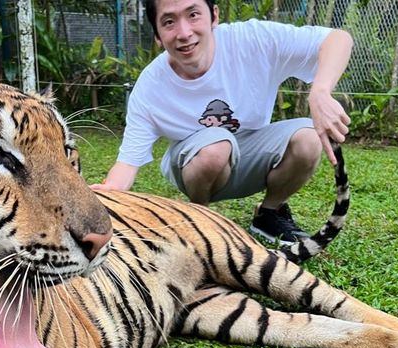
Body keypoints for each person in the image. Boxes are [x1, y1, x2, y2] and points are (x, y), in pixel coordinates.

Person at [91, 0, 353, 245]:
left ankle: (269, 214)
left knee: (308, 138)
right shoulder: (150, 87)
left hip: (250, 152)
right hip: (193, 163)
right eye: (169, 22)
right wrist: (110, 192)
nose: (184, 33)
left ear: (213, 16)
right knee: (217, 145)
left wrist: (320, 91)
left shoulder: (252, 40)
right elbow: (127, 162)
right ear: (158, 36)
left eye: (193, 15)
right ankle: (199, 218)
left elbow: (338, 39)